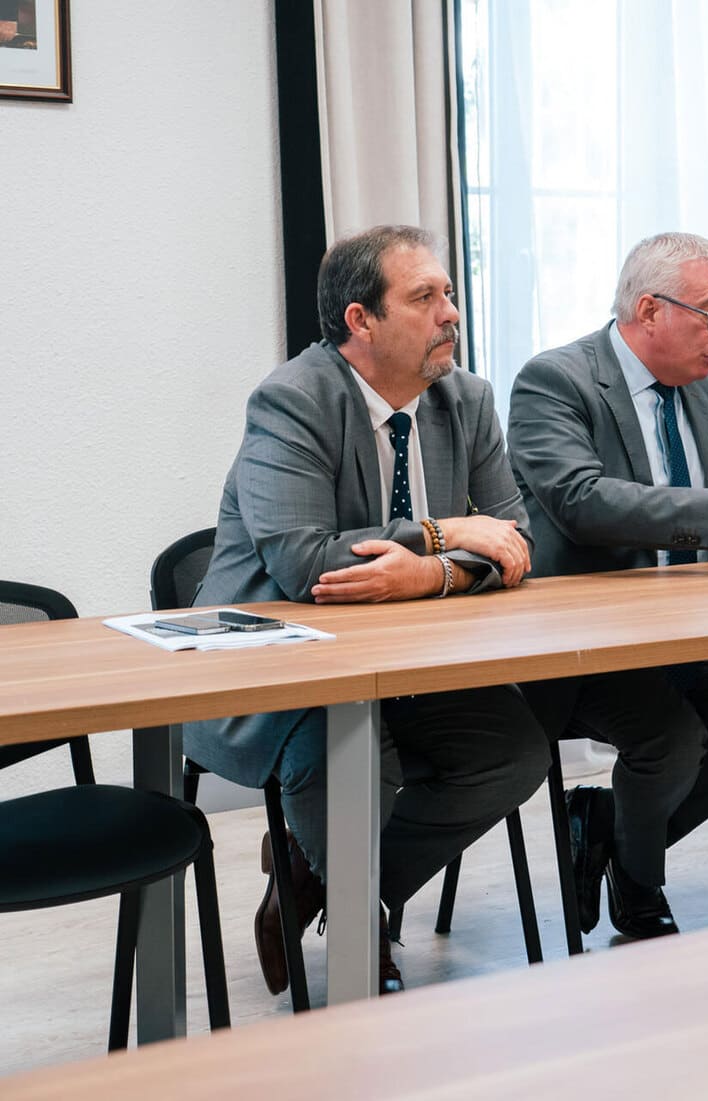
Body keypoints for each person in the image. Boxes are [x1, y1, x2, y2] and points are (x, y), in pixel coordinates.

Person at [185, 225, 555, 995]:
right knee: (350, 754)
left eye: (449, 293)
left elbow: (519, 541)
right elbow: (302, 560)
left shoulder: (467, 398)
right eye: (425, 297)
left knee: (515, 750)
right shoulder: (291, 399)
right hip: (284, 667)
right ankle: (361, 933)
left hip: (412, 658)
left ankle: (337, 885)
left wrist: (426, 576)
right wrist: (442, 532)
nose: (450, 312)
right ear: (361, 321)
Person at [509, 232, 708, 939]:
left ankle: (618, 838)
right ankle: (640, 872)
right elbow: (581, 500)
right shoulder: (555, 379)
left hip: (698, 631)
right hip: (595, 639)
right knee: (675, 736)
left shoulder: (705, 387)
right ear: (649, 309)